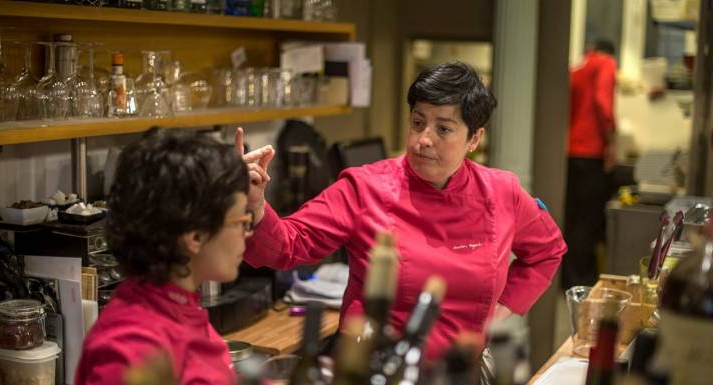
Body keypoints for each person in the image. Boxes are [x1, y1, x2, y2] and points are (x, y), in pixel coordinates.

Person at [241, 62, 567, 361]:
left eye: (443, 129)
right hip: (371, 374)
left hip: (457, 379)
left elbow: (547, 251)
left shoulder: (501, 191)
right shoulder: (364, 187)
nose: (423, 139)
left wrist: (503, 309)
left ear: (474, 139)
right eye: (418, 122)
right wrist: (256, 204)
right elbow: (288, 245)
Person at [69, 128, 254, 385]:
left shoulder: (177, 305)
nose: (249, 233)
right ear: (194, 237)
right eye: (242, 221)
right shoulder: (131, 349)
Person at [562, 39, 617, 289]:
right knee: (588, 220)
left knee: (571, 218)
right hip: (592, 152)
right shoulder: (606, 63)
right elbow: (602, 102)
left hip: (571, 152)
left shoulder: (578, 69)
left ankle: (568, 279)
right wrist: (611, 140)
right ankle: (583, 282)